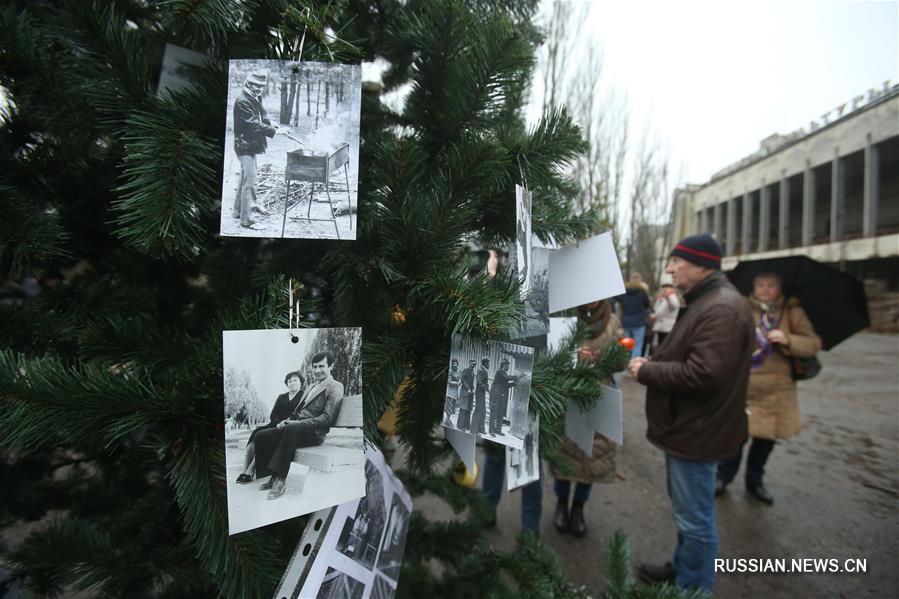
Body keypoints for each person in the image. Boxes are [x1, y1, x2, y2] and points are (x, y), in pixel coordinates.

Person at [627, 232, 753, 593]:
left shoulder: (720, 308)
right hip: (693, 427)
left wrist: (647, 371)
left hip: (699, 432)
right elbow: (696, 357)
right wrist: (656, 361)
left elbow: (705, 375)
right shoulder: (707, 300)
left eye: (676, 262)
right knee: (689, 515)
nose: (669, 268)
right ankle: (683, 569)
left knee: (696, 521)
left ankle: (693, 589)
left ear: (700, 265)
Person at [715, 271, 821, 504]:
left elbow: (813, 343)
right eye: (760, 285)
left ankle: (755, 481)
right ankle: (724, 476)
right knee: (735, 436)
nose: (764, 290)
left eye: (771, 285)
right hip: (744, 385)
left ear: (780, 288)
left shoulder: (793, 312)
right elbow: (722, 339)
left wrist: (788, 339)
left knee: (765, 440)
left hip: (777, 390)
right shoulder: (741, 308)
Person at [551, 300, 623, 538]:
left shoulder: (612, 321)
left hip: (599, 397)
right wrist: (573, 355)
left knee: (593, 457)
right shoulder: (564, 317)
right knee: (565, 454)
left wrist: (602, 357)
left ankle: (579, 508)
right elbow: (551, 353)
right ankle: (561, 504)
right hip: (568, 396)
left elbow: (622, 359)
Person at [253, 351, 344, 499]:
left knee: (291, 429)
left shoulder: (335, 386)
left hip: (314, 433)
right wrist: (287, 420)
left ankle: (281, 480)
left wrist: (297, 423)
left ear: (331, 366)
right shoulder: (310, 387)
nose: (317, 370)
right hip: (296, 429)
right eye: (314, 367)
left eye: (322, 366)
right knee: (261, 436)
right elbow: (297, 412)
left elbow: (327, 418)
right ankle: (272, 476)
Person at [235, 370, 305, 484]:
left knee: (263, 438)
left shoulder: (303, 396)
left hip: (289, 427)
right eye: (289, 381)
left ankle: (250, 471)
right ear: (286, 383)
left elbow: (301, 415)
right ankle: (244, 470)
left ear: (301, 382)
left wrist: (285, 423)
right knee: (256, 433)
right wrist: (278, 422)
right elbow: (273, 414)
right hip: (275, 424)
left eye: (295, 380)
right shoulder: (282, 397)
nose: (292, 383)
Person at [231, 70, 277, 230]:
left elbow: (262, 116)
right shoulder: (243, 100)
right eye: (256, 85)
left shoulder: (253, 97)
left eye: (261, 86)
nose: (259, 89)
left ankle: (238, 211)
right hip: (244, 145)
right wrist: (274, 131)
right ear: (248, 83)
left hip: (249, 144)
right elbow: (252, 123)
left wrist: (272, 126)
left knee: (245, 177)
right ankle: (248, 220)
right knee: (251, 181)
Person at [616, 273, 651, 358]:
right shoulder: (642, 292)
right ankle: (634, 363)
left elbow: (616, 298)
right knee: (637, 344)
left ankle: (626, 361)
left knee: (627, 344)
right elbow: (648, 305)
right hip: (639, 322)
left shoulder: (624, 291)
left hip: (626, 322)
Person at [649, 277, 680, 354]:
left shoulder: (672, 297)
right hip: (660, 326)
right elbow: (657, 310)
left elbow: (675, 305)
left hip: (667, 327)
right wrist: (654, 315)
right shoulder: (661, 298)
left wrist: (668, 296)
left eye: (667, 287)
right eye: (663, 287)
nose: (665, 288)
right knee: (658, 345)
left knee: (664, 346)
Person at [488, 358, 518, 436]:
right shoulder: (500, 372)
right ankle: (491, 431)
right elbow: (506, 378)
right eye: (507, 365)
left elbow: (506, 385)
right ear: (504, 365)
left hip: (501, 396)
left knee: (500, 413)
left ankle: (498, 430)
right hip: (495, 395)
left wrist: (514, 384)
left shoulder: (504, 373)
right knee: (494, 412)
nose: (508, 367)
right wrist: (515, 377)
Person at [472, 358, 490, 434]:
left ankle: (481, 429)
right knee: (478, 411)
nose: (489, 365)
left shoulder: (485, 370)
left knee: (483, 411)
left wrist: (488, 390)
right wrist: (485, 387)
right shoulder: (480, 370)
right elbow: (479, 382)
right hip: (479, 393)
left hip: (482, 393)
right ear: (485, 363)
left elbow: (485, 382)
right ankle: (473, 430)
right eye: (488, 363)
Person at [457, 359, 476, 431]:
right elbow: (462, 380)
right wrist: (468, 388)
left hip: (470, 393)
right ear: (469, 363)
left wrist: (473, 389)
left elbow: (471, 383)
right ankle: (460, 426)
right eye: (471, 364)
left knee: (468, 409)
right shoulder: (465, 370)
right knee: (463, 409)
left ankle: (466, 426)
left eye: (474, 365)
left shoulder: (472, 372)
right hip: (464, 392)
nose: (472, 365)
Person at [444, 359, 461, 426]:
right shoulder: (450, 371)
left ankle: (447, 420)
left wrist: (460, 382)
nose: (455, 365)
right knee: (449, 408)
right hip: (450, 393)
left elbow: (459, 379)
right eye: (454, 364)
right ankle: (448, 420)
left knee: (452, 408)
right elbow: (449, 381)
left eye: (456, 364)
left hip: (455, 393)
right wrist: (456, 383)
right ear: (452, 364)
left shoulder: (458, 372)